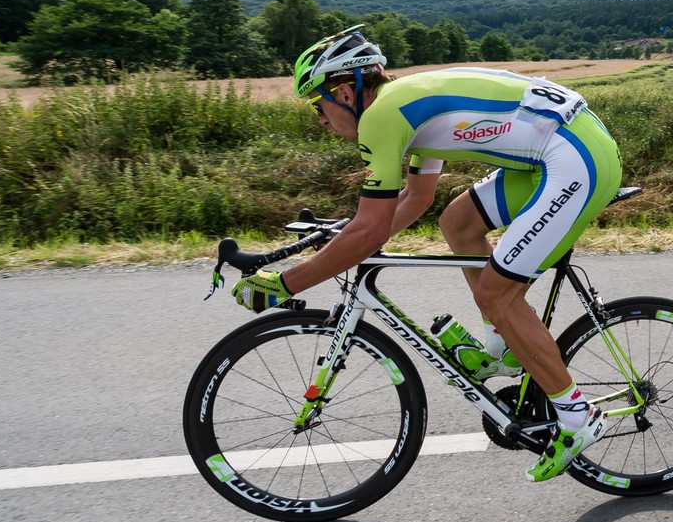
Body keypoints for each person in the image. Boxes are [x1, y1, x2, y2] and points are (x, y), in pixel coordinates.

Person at [231, 26, 622, 482]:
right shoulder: (403, 108)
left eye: (318, 106)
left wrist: (286, 284)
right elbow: (415, 199)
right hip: (559, 152)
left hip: (575, 160)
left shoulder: (380, 118)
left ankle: (577, 416)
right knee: (458, 223)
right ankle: (503, 345)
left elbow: (372, 229)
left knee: (499, 294)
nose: (319, 119)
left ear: (343, 93)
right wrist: (345, 237)